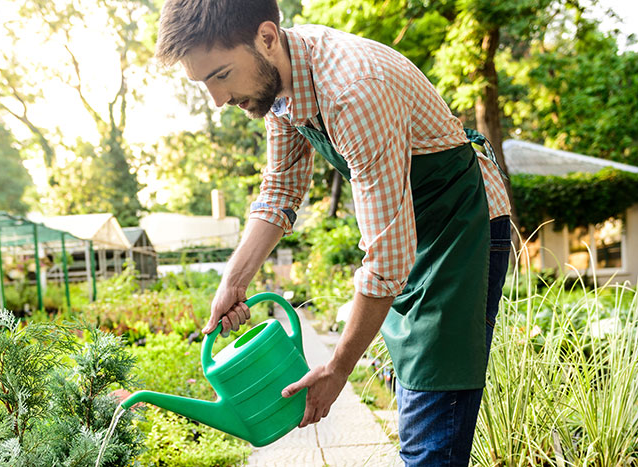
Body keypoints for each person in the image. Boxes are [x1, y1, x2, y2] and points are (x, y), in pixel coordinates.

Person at [155, 0, 512, 464]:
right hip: (410, 235)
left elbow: (386, 260)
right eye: (203, 83)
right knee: (416, 416)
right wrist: (234, 281)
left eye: (220, 76)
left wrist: (339, 367)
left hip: (458, 231)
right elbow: (281, 190)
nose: (217, 101)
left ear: (266, 37)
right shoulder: (280, 89)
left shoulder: (353, 90)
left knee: (431, 430)